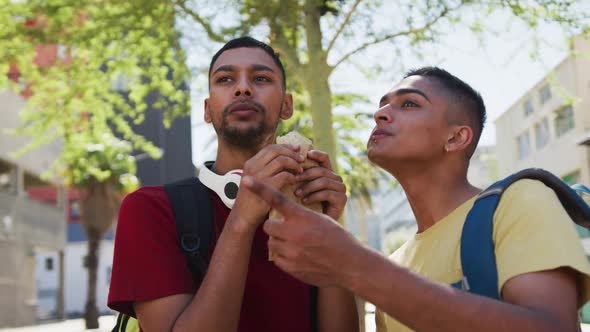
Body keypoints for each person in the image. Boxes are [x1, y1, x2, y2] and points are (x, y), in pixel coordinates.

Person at [242, 66, 590, 331]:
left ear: (456, 138)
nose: (380, 114)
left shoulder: (521, 200)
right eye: (382, 106)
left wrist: (356, 266)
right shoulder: (395, 262)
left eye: (409, 103)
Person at [107, 37, 359, 332]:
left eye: (261, 78)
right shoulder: (150, 209)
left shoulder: (307, 214)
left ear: (286, 106)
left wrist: (330, 228)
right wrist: (242, 219)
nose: (242, 88)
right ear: (207, 109)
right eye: (225, 79)